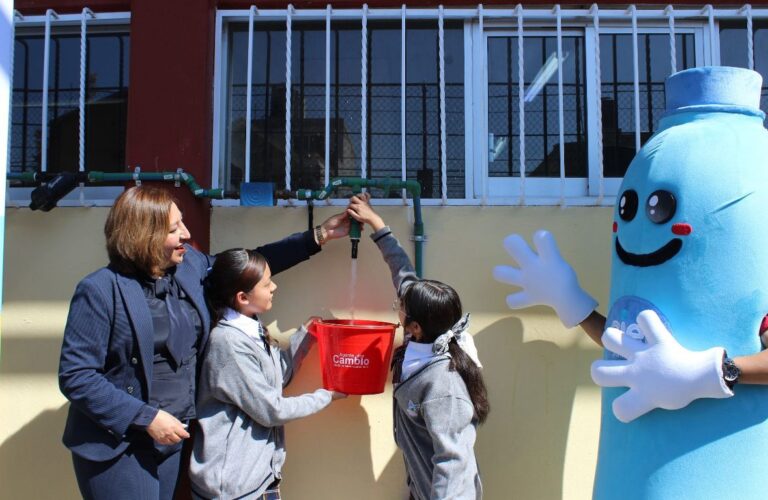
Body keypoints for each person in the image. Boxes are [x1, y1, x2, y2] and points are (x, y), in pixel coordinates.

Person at [58, 185, 350, 500]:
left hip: (171, 441)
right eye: (174, 229)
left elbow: (243, 271)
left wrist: (317, 236)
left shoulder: (189, 267)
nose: (185, 234)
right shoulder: (100, 290)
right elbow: (77, 376)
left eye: (182, 223)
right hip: (121, 442)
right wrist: (146, 417)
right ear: (143, 236)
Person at [347, 195, 489, 500]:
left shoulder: (443, 386)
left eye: (399, 305)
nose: (397, 304)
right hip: (421, 486)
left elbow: (453, 461)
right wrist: (375, 221)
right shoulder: (422, 336)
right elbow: (401, 269)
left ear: (415, 326)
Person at [189, 249, 345, 499]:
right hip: (234, 489)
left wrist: (305, 337)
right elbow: (271, 410)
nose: (274, 287)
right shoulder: (229, 343)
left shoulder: (251, 329)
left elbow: (274, 378)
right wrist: (325, 396)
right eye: (266, 283)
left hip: (258, 480)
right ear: (242, 297)